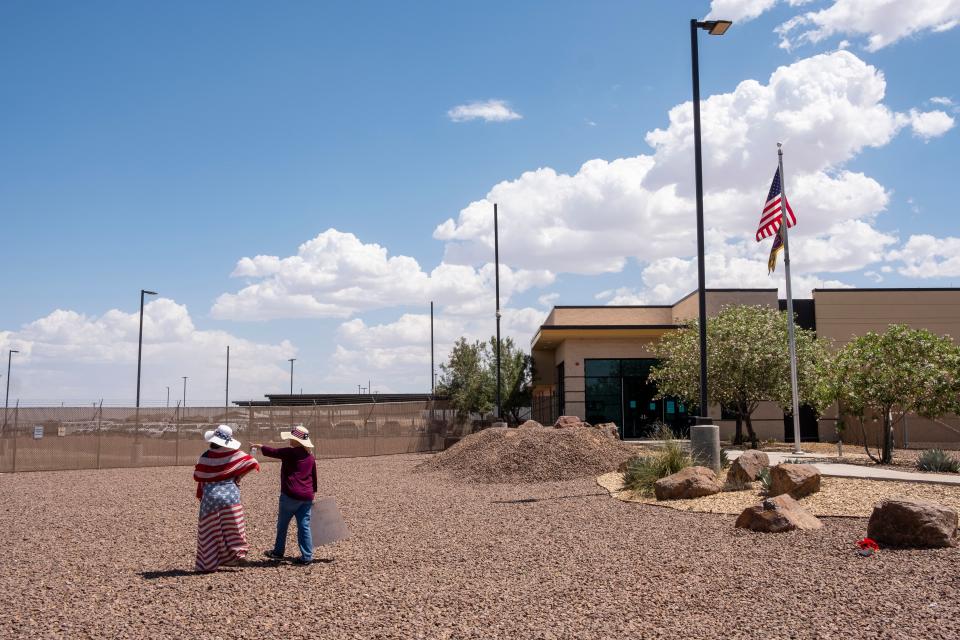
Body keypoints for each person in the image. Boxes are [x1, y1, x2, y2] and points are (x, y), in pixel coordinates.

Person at [193, 425, 260, 572]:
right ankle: (237, 556)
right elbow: (252, 462)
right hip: (230, 496)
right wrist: (237, 477)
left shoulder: (206, 456)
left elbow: (199, 475)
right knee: (234, 527)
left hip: (210, 498)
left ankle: (208, 563)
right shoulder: (235, 454)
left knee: (209, 531)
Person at [251, 425, 317, 565]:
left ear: (297, 441)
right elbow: (314, 477)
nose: (289, 441)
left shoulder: (290, 453)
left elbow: (273, 452)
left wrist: (259, 446)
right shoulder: (310, 457)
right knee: (304, 526)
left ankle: (278, 552)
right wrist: (313, 494)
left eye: (291, 438)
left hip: (290, 495)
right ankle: (307, 556)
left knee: (282, 525)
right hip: (307, 496)